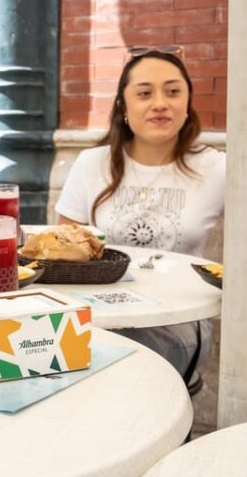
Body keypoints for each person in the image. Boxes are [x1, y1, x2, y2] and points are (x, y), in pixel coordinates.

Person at [55, 46, 224, 382]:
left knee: (116, 369)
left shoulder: (216, 167)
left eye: (173, 92)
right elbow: (62, 257)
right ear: (124, 106)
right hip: (100, 319)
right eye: (145, 93)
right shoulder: (92, 165)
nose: (160, 103)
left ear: (187, 104)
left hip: (178, 323)